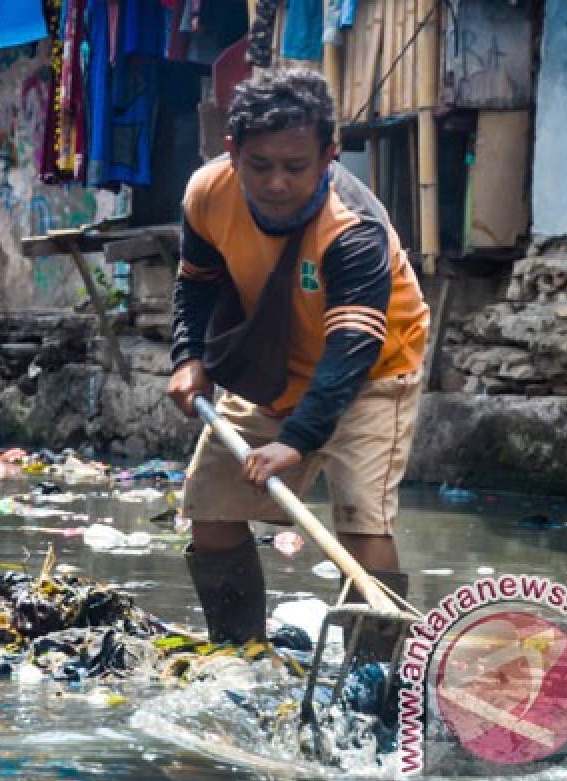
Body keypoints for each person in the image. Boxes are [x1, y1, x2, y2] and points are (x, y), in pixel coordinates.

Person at [167, 68, 429, 647]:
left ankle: (375, 682)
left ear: (329, 155)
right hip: (276, 362)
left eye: (296, 167)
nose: (278, 184)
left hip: (373, 370)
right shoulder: (207, 194)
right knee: (210, 511)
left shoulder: (354, 228)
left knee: (363, 523)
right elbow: (197, 284)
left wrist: (298, 440)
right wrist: (189, 356)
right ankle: (238, 652)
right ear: (232, 151)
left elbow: (351, 349)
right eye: (260, 166)